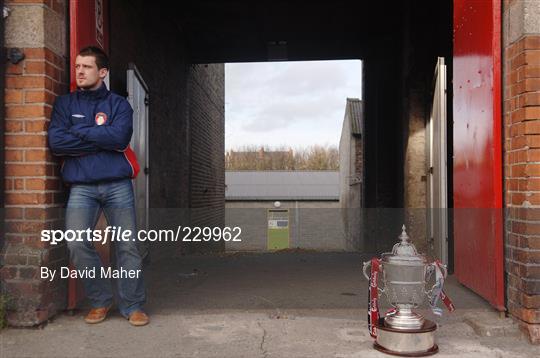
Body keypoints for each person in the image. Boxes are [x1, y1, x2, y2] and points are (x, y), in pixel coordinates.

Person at [48, 46, 148, 326]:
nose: (79, 71)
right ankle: (100, 301)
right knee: (77, 243)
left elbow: (118, 139)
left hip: (117, 185)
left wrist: (77, 131)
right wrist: (99, 136)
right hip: (82, 186)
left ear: (102, 72)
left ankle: (133, 305)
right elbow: (57, 143)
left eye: (87, 67)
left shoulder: (119, 105)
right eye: (77, 66)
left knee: (127, 246)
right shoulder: (64, 105)